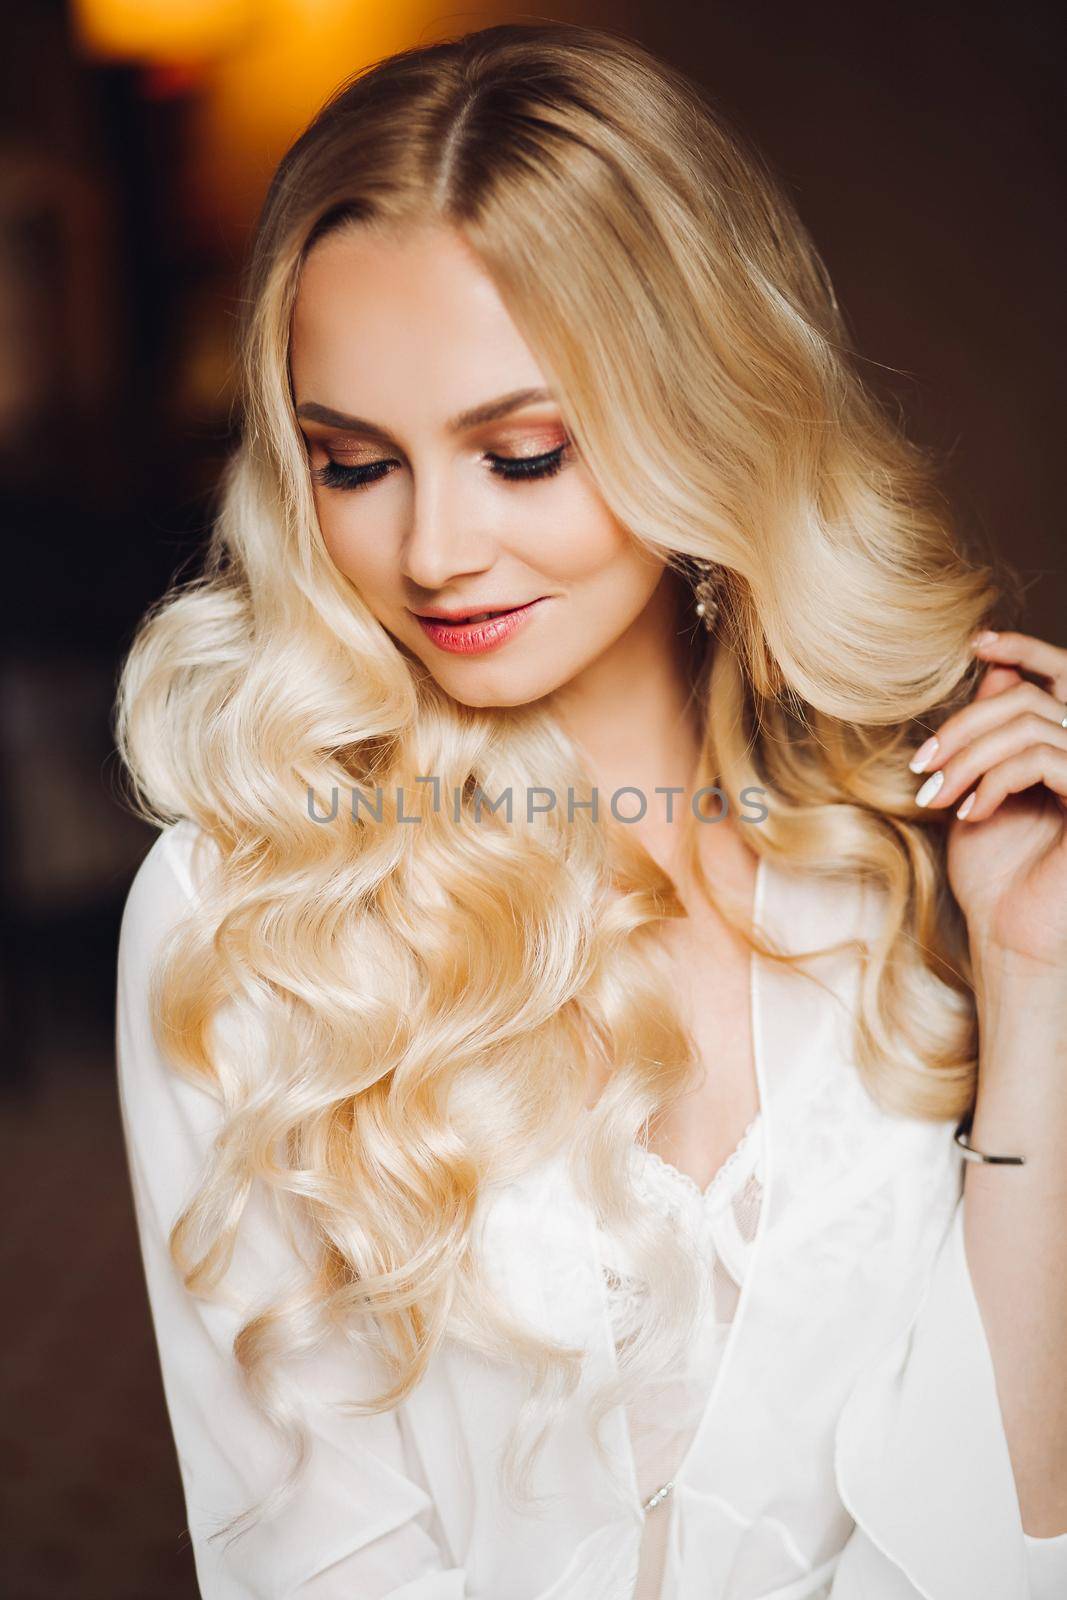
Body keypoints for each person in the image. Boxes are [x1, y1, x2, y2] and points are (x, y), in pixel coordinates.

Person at [112, 21, 1067, 1600]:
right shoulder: (246, 915)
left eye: (524, 452)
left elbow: (1013, 1532)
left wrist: (1036, 986)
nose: (434, 551)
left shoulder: (908, 855)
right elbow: (313, 1560)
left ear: (703, 410)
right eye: (356, 466)